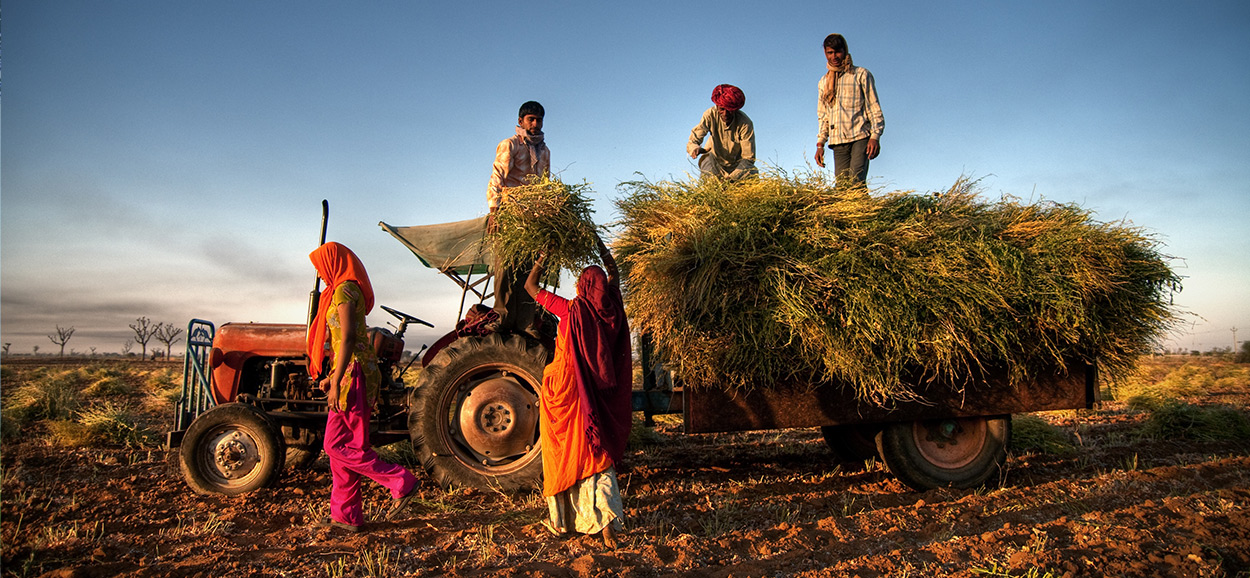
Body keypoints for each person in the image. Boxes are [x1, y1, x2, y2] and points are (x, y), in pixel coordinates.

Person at [524, 237, 632, 548]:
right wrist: (601, 247)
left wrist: (544, 255)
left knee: (564, 451)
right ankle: (607, 520)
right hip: (595, 392)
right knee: (596, 451)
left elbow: (531, 287)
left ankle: (565, 521)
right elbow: (614, 274)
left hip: (566, 390)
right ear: (601, 287)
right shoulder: (612, 306)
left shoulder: (571, 309)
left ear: (583, 287)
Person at [307, 242, 418, 533]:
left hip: (353, 375)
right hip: (349, 372)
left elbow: (347, 339)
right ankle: (346, 516)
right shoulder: (343, 289)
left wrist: (337, 380)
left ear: (333, 262)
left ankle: (399, 480)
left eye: (320, 266)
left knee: (333, 445)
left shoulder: (345, 290)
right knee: (347, 449)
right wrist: (332, 375)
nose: (319, 274)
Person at [488, 100, 551, 336]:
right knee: (505, 267)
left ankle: (525, 323)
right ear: (520, 122)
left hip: (532, 219)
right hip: (509, 214)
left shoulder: (544, 151)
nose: (535, 124)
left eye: (539, 120)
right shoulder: (510, 145)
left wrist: (546, 217)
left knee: (529, 271)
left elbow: (545, 186)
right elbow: (497, 178)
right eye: (530, 120)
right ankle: (501, 317)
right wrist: (495, 212)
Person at [814, 33, 884, 186]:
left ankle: (868, 209)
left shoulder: (861, 75)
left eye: (837, 51)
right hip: (838, 140)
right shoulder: (824, 82)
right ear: (825, 53)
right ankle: (865, 209)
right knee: (843, 188)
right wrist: (820, 144)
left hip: (860, 136)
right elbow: (823, 116)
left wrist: (875, 136)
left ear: (845, 50)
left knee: (855, 182)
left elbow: (874, 107)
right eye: (830, 53)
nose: (834, 57)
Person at [687, 84, 757, 181]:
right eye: (722, 109)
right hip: (714, 161)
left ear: (735, 109)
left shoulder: (745, 123)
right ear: (717, 106)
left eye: (729, 110)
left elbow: (748, 158)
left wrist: (732, 178)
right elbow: (694, 139)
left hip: (738, 165)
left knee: (752, 173)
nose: (725, 114)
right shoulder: (710, 115)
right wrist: (694, 147)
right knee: (707, 164)